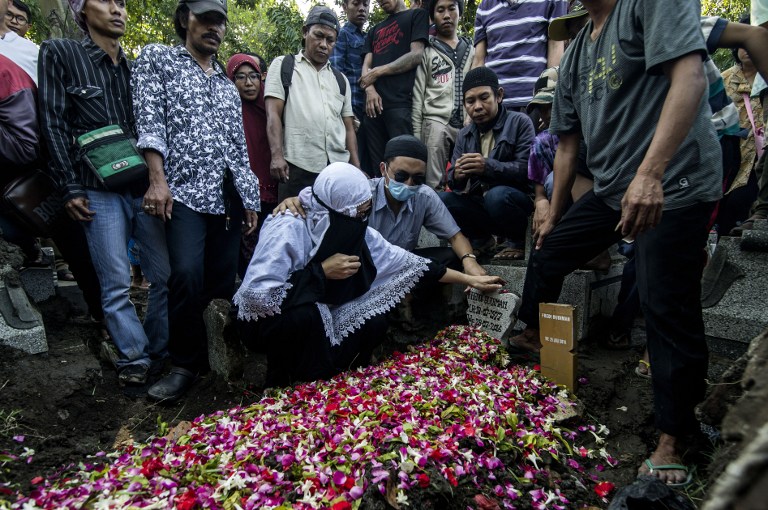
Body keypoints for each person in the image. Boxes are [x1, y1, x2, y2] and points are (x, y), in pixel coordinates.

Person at [510, 0, 722, 487]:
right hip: (610, 188)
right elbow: (566, 146)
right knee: (549, 250)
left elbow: (688, 78)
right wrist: (556, 211)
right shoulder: (578, 48)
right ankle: (533, 332)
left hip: (676, 179)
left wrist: (651, 173)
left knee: (663, 301)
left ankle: (675, 435)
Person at [235, 162, 503, 386]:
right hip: (269, 319)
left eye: (366, 211)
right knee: (308, 316)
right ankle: (292, 382)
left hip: (324, 308)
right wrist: (321, 272)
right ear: (339, 206)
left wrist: (470, 279)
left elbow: (407, 262)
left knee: (374, 320)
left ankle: (345, 376)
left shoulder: (351, 225)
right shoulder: (288, 227)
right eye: (360, 212)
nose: (364, 218)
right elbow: (258, 298)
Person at [132, 0, 260, 402]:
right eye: (206, 19)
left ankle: (214, 359)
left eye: (220, 21)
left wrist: (249, 197)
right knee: (185, 274)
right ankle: (183, 364)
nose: (214, 28)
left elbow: (238, 147)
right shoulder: (159, 59)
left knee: (221, 281)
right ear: (185, 18)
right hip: (183, 191)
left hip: (227, 196)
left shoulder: (226, 85)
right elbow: (149, 121)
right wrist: (157, 180)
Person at [38, 0, 170, 387]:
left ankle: (160, 350)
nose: (117, 10)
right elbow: (53, 121)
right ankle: (135, 356)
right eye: (106, 1)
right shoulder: (61, 52)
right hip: (95, 189)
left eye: (123, 3)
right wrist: (69, 185)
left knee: (164, 275)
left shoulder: (136, 67)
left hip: (142, 185)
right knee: (115, 282)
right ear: (82, 10)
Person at [275, 135, 487, 277]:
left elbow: (455, 236)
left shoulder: (424, 196)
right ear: (384, 169)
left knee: (451, 258)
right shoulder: (361, 193)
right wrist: (295, 201)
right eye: (401, 175)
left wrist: (470, 261)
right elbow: (323, 202)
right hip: (363, 268)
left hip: (402, 266)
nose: (408, 184)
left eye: (418, 178)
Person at [439, 67, 535, 261]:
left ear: (499, 95)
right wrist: (457, 175)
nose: (478, 106)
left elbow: (528, 170)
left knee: (497, 195)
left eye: (484, 98)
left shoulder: (520, 122)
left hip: (515, 202)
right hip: (482, 205)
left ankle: (516, 241)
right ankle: (481, 240)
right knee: (442, 200)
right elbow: (452, 181)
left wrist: (487, 166)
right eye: (470, 101)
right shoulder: (464, 134)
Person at [265, 5, 359, 202]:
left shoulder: (340, 79)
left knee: (334, 229)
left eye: (330, 40)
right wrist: (277, 156)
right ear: (305, 32)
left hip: (336, 169)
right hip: (297, 167)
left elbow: (348, 127)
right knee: (294, 225)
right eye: (318, 35)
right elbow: (272, 114)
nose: (324, 44)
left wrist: (356, 169)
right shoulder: (284, 65)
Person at [359, 0, 428, 171]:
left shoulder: (417, 15)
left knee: (403, 165)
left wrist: (378, 72)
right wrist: (370, 90)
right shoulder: (374, 30)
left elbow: (416, 55)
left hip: (400, 105)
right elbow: (365, 67)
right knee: (378, 168)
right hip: (372, 109)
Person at [411, 0, 473, 189]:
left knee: (469, 181)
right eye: (440, 10)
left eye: (451, 8)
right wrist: (417, 138)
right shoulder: (428, 51)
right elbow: (418, 97)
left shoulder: (472, 49)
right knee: (433, 185)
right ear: (432, 16)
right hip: (436, 124)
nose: (446, 15)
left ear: (459, 12)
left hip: (468, 125)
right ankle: (432, 217)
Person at [227, 53, 278, 278]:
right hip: (242, 193)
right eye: (241, 77)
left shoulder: (272, 106)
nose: (249, 83)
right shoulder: (227, 110)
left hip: (274, 188)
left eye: (254, 76)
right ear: (231, 80)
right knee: (247, 252)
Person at [471, 0, 567, 110]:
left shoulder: (552, 1)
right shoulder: (484, 7)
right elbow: (478, 62)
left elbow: (556, 47)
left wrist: (551, 101)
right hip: (495, 104)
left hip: (535, 101)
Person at [721, 15, 764, 235]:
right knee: (728, 215)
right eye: (742, 42)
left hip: (761, 160)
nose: (747, 47)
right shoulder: (724, 79)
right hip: (731, 161)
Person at [0, 0, 36, 83]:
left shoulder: (34, 52)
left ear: (29, 27)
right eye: (9, 14)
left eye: (20, 19)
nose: (14, 21)